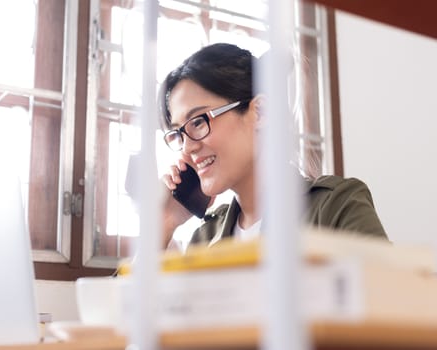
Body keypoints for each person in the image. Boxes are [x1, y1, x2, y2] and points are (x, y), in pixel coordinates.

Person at [158, 43, 387, 250]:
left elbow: (394, 293)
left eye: (198, 122)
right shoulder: (205, 239)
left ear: (259, 112)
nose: (187, 147)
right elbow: (128, 297)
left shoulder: (335, 208)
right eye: (178, 133)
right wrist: (164, 224)